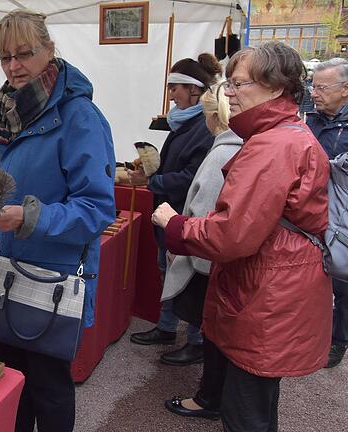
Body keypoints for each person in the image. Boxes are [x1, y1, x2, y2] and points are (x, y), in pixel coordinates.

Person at [152, 41, 332, 431]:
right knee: (256, 399)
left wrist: (176, 225)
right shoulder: (285, 133)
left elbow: (232, 235)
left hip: (267, 291)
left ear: (276, 86)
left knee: (245, 408)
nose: (228, 94)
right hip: (276, 285)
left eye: (237, 84)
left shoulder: (272, 145)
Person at [0, 9, 115, 432]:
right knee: (10, 381)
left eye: (24, 54)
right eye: (4, 57)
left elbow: (97, 210)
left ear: (50, 50)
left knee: (49, 386)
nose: (13, 66)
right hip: (1, 271)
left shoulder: (80, 118)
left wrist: (28, 217)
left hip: (50, 281)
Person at [129, 53, 220, 367]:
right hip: (168, 215)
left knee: (191, 277)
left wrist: (154, 180)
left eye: (175, 88)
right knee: (167, 272)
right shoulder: (184, 124)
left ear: (194, 91)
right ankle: (167, 328)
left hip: (185, 217)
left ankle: (195, 342)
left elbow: (193, 177)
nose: (170, 95)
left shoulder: (204, 127)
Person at [161, 84, 243, 420]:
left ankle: (210, 399)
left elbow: (205, 216)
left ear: (212, 117)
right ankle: (218, 395)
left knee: (214, 334)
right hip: (222, 259)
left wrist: (177, 239)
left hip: (209, 261)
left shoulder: (221, 153)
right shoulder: (237, 146)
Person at [306, 57, 348, 368]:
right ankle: (313, 335)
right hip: (314, 208)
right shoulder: (312, 118)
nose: (314, 93)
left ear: (345, 90)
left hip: (343, 213)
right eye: (313, 86)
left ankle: (338, 340)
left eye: (321, 87)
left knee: (343, 279)